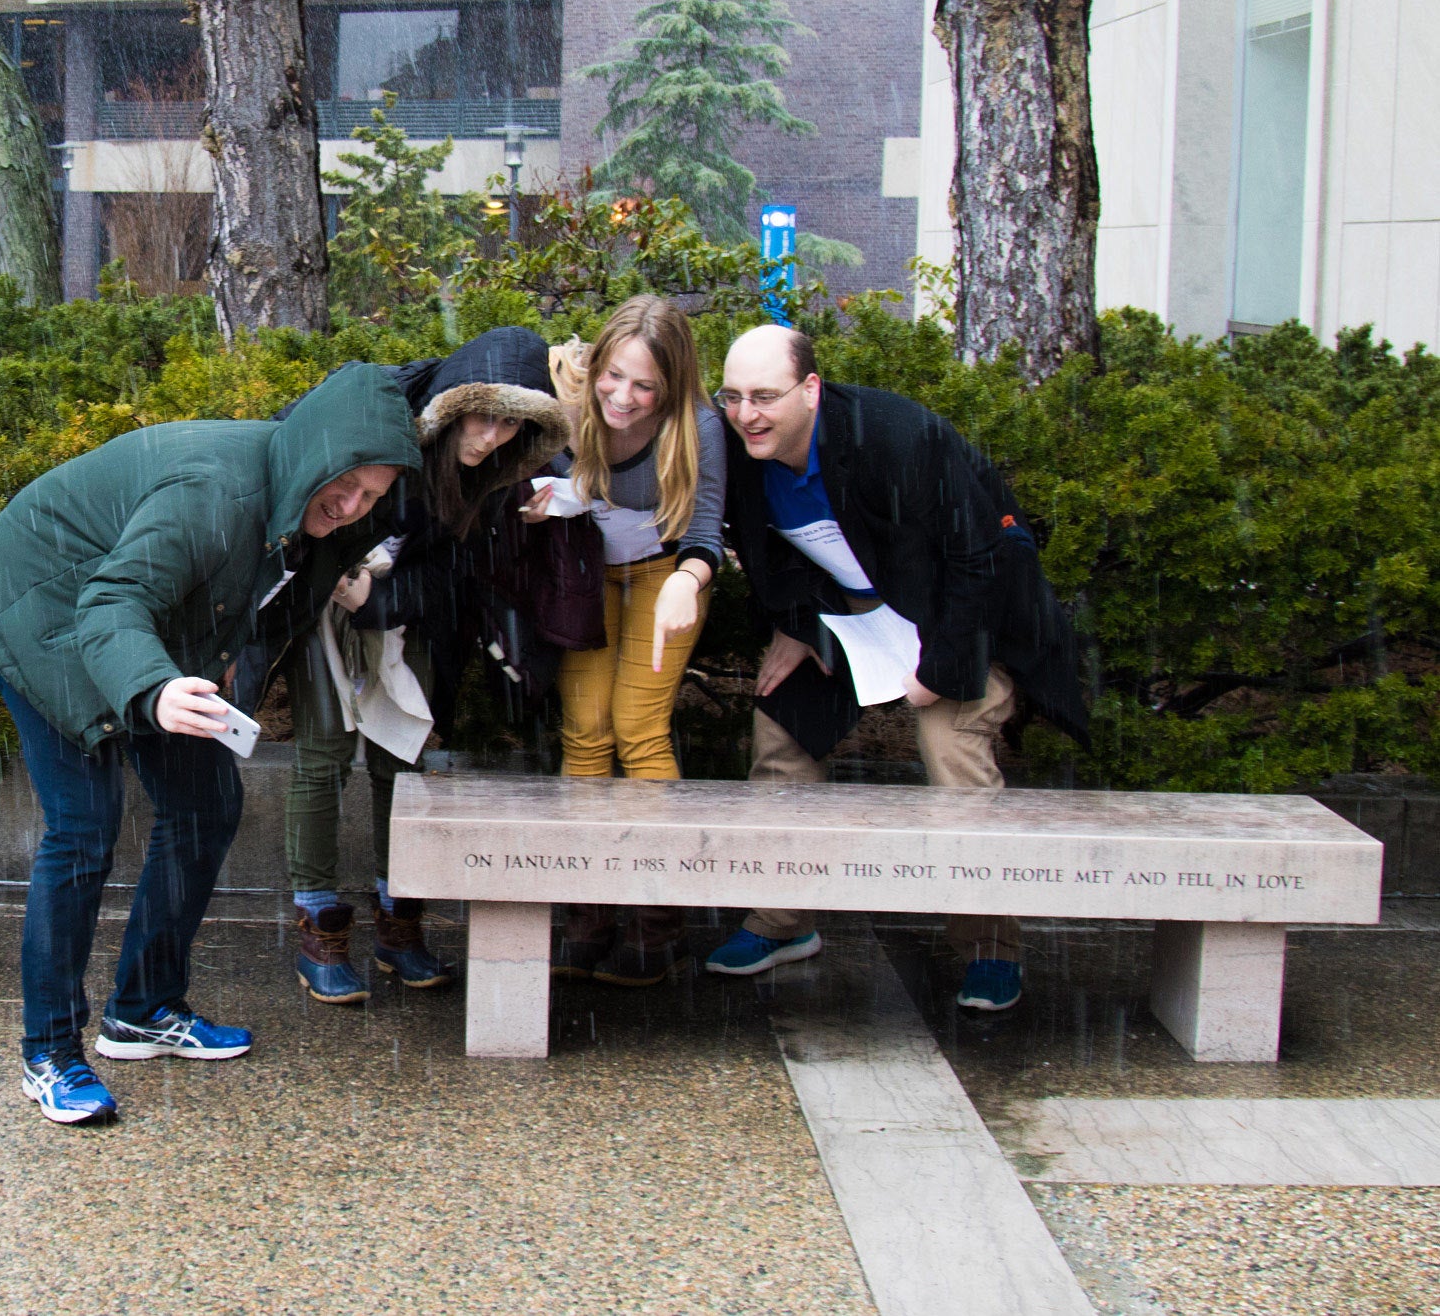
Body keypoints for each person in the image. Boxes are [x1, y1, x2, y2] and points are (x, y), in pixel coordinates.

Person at [0, 362, 421, 1124]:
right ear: (312, 451)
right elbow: (111, 602)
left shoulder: (313, 512)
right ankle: (49, 1051)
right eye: (344, 483)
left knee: (205, 806)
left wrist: (212, 662)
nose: (350, 505)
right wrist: (156, 688)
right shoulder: (217, 492)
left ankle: (143, 1008)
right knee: (82, 828)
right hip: (40, 600)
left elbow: (267, 601)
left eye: (372, 496)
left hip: (138, 623)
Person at [701, 325, 1089, 1012]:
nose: (746, 414)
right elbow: (774, 556)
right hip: (856, 613)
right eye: (732, 396)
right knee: (780, 728)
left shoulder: (898, 438)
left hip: (959, 615)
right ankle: (784, 919)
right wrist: (798, 626)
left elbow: (982, 559)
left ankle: (989, 945)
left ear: (812, 389)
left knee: (952, 745)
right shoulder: (740, 451)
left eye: (765, 396)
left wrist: (940, 669)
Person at [284, 326, 569, 1004]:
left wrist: (380, 599)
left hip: (397, 614)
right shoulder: (379, 404)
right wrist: (330, 575)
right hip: (319, 594)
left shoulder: (499, 474)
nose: (492, 436)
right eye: (485, 414)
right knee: (323, 755)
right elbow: (288, 468)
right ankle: (318, 926)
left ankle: (399, 923)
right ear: (454, 400)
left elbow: (453, 573)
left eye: (512, 424)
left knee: (401, 756)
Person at [527, 296, 726, 986]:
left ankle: (658, 920)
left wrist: (691, 580)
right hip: (583, 578)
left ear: (672, 385)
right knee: (584, 730)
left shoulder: (698, 426)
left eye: (645, 386)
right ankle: (588, 914)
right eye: (614, 376)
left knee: (640, 729)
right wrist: (539, 498)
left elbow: (705, 531)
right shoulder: (565, 404)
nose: (624, 397)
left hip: (665, 579)